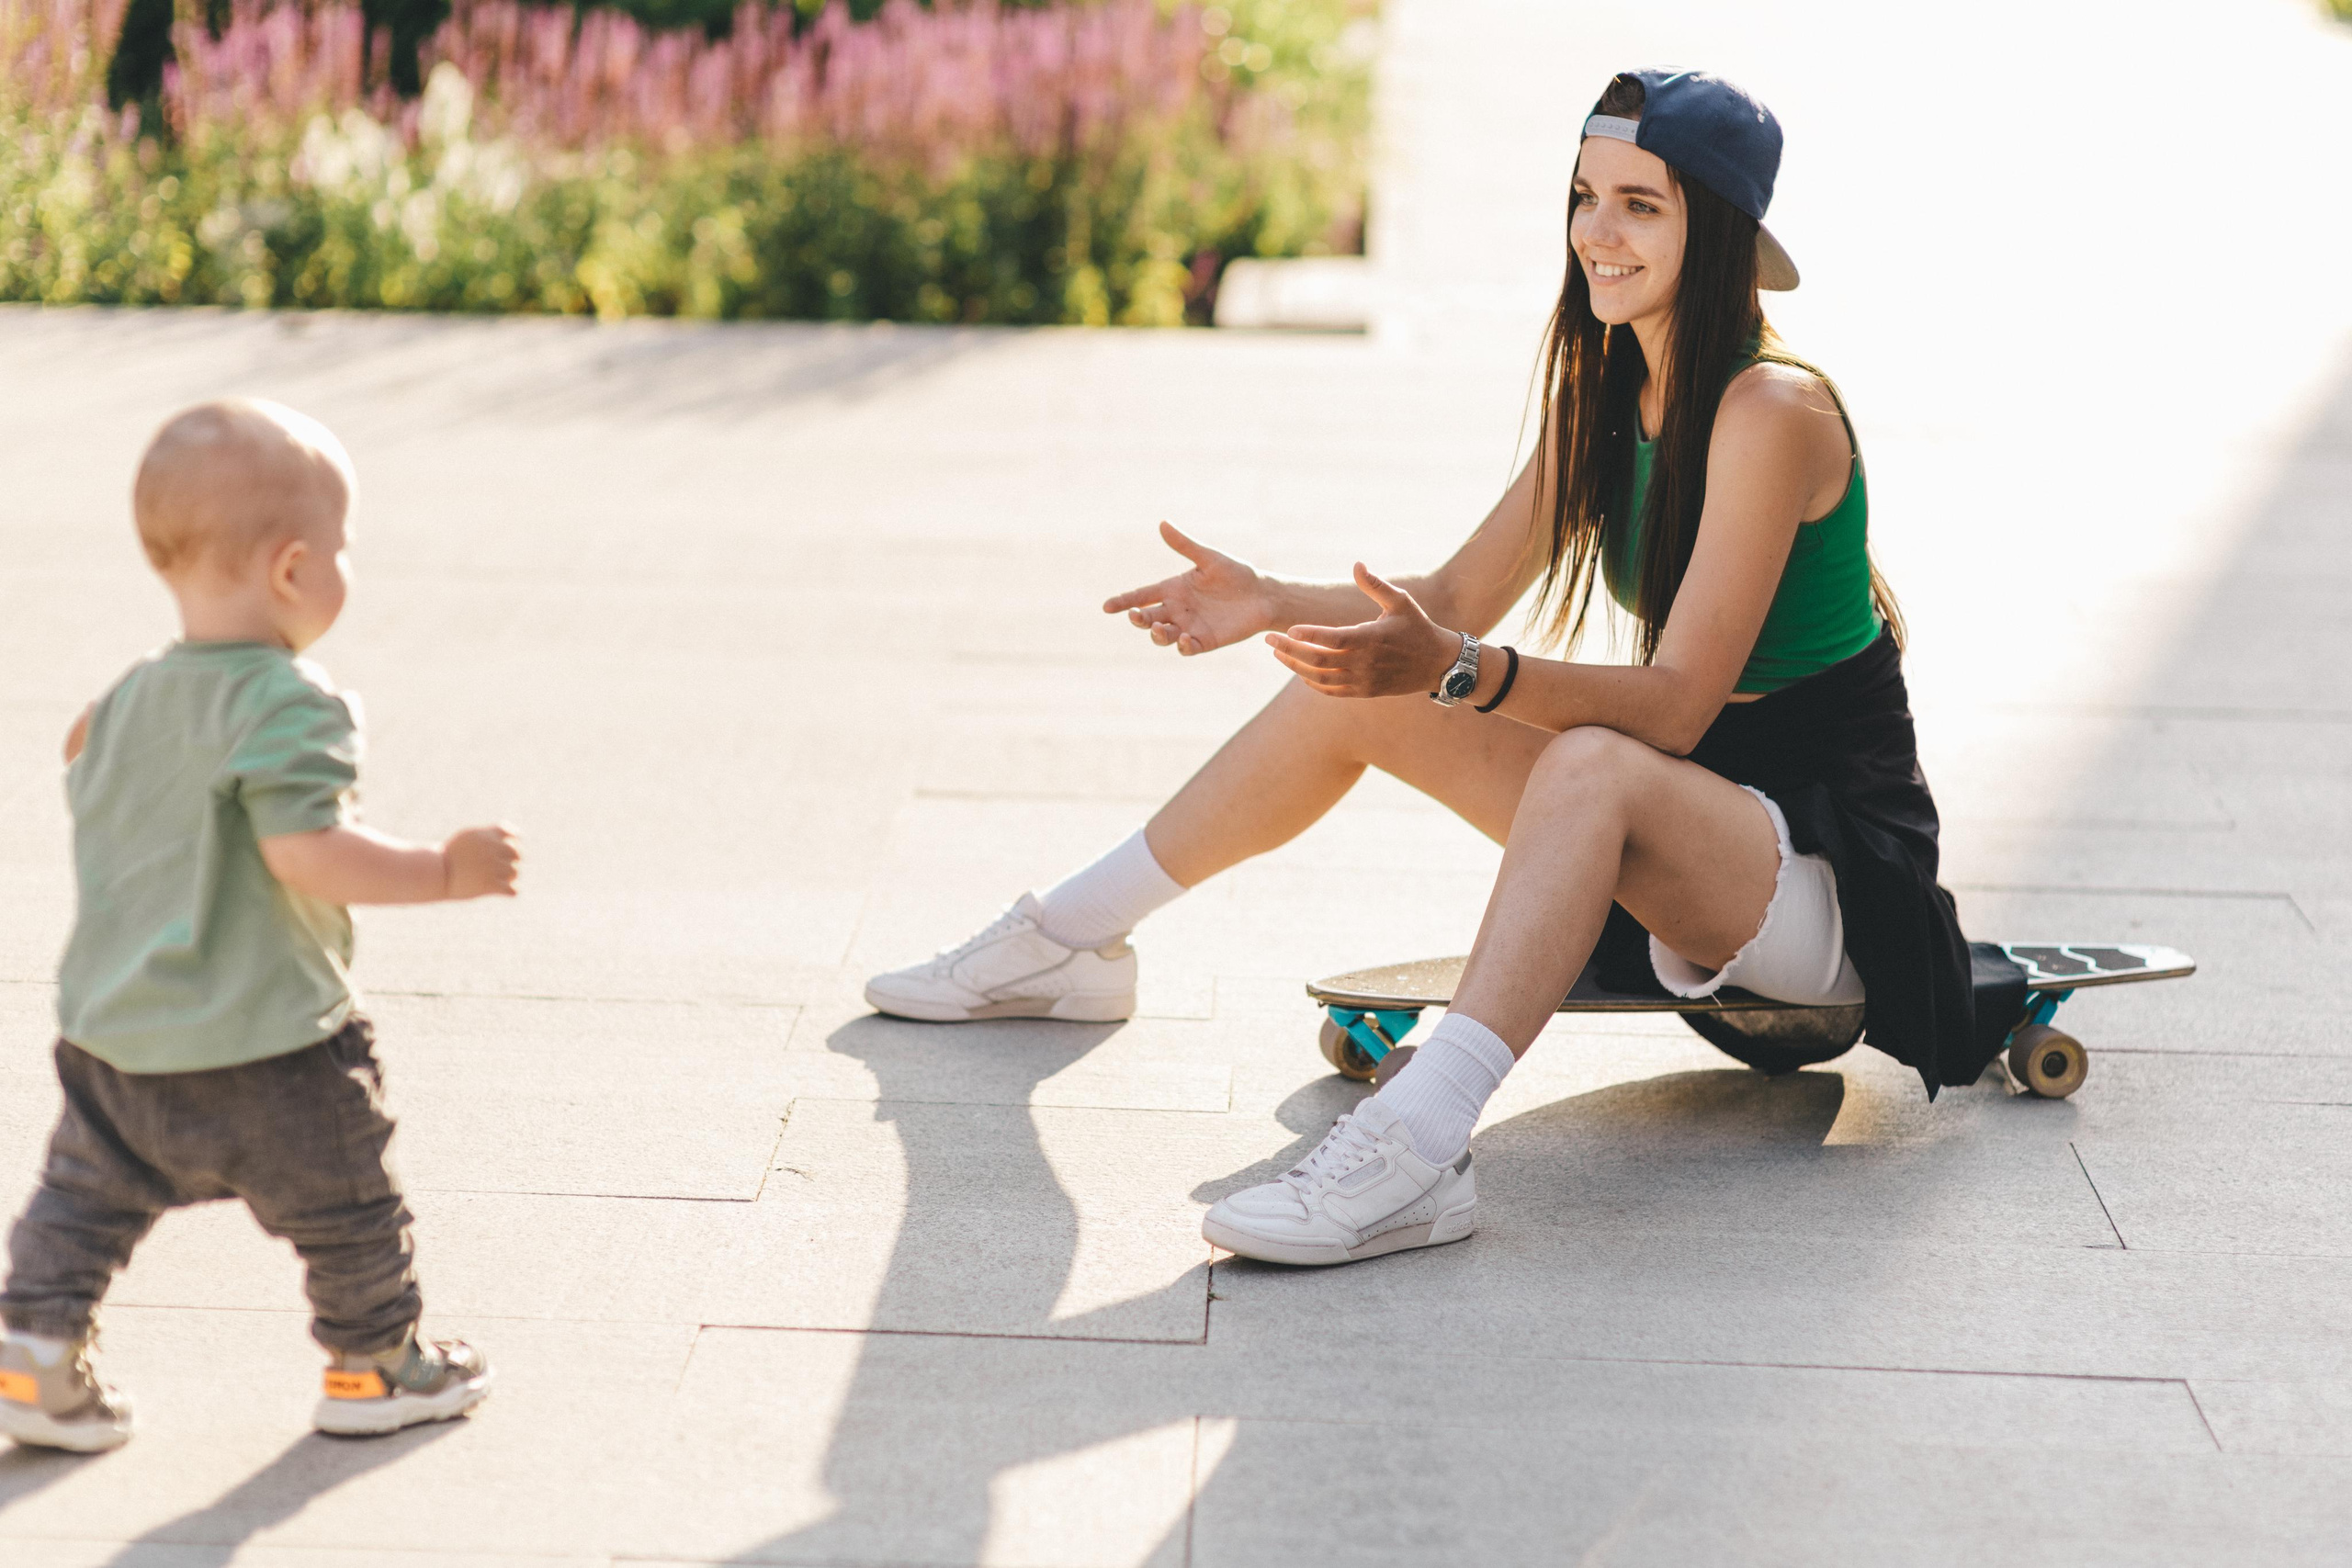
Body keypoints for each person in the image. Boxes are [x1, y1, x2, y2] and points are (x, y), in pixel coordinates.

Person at [866, 69, 2001, 1269]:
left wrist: (1466, 667)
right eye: (1583, 197)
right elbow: (1452, 607)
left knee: (1595, 763)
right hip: (1691, 841)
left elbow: (1670, 708)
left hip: (1823, 899)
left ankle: (1418, 1150)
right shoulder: (1606, 392)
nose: (1596, 235)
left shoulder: (1775, 410)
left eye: (1640, 206)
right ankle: (1069, 941)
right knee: (1355, 683)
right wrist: (1272, 602)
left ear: (1712, 228)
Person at [0, 400, 522, 1451]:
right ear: (292, 571)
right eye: (343, 549)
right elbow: (306, 851)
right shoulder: (290, 701)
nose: (345, 568)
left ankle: (33, 1353)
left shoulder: (120, 701)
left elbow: (82, 758)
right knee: (349, 1211)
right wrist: (444, 870)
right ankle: (376, 1367)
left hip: (115, 1044)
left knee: (84, 1206)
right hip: (270, 1048)